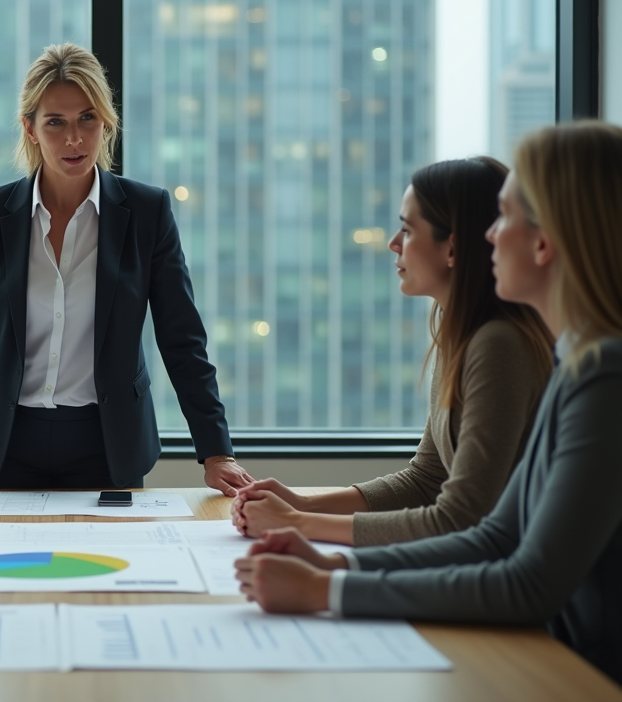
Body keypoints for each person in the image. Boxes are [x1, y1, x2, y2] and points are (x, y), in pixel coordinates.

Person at [234, 121, 622, 685]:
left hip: (580, 670)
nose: (490, 235)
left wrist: (327, 585)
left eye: (505, 217)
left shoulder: (598, 374)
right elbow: (491, 531)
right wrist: (336, 563)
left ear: (544, 243)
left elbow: (525, 578)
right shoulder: (576, 363)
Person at [0, 43, 255, 495]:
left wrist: (216, 453)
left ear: (106, 121)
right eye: (56, 122)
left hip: (108, 445)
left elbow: (181, 339)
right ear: (29, 128)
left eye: (87, 118)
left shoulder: (147, 213)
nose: (75, 139)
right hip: (5, 445)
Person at [231, 158, 552, 546]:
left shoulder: (497, 344)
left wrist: (297, 523)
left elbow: (460, 517)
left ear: (452, 248)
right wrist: (302, 505)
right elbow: (427, 480)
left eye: (408, 230)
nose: (393, 243)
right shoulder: (460, 332)